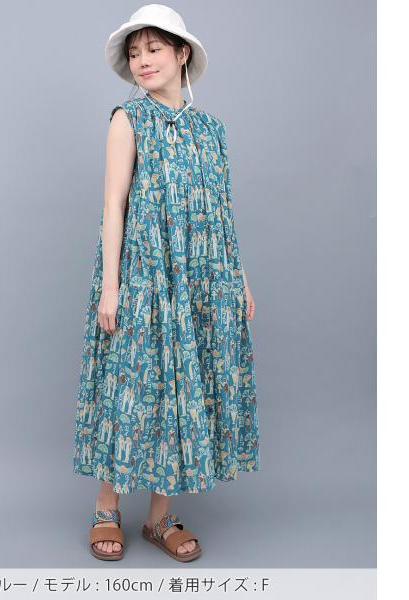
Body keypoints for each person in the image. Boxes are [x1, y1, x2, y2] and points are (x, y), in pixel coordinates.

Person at [73, 4, 260, 562]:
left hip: (204, 278)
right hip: (145, 273)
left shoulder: (211, 129)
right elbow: (113, 205)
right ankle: (107, 506)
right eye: (135, 52)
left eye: (154, 48)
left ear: (182, 54)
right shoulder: (128, 119)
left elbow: (221, 211)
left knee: (184, 388)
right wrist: (111, 286)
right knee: (131, 385)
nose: (143, 60)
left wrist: (240, 278)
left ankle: (159, 517)